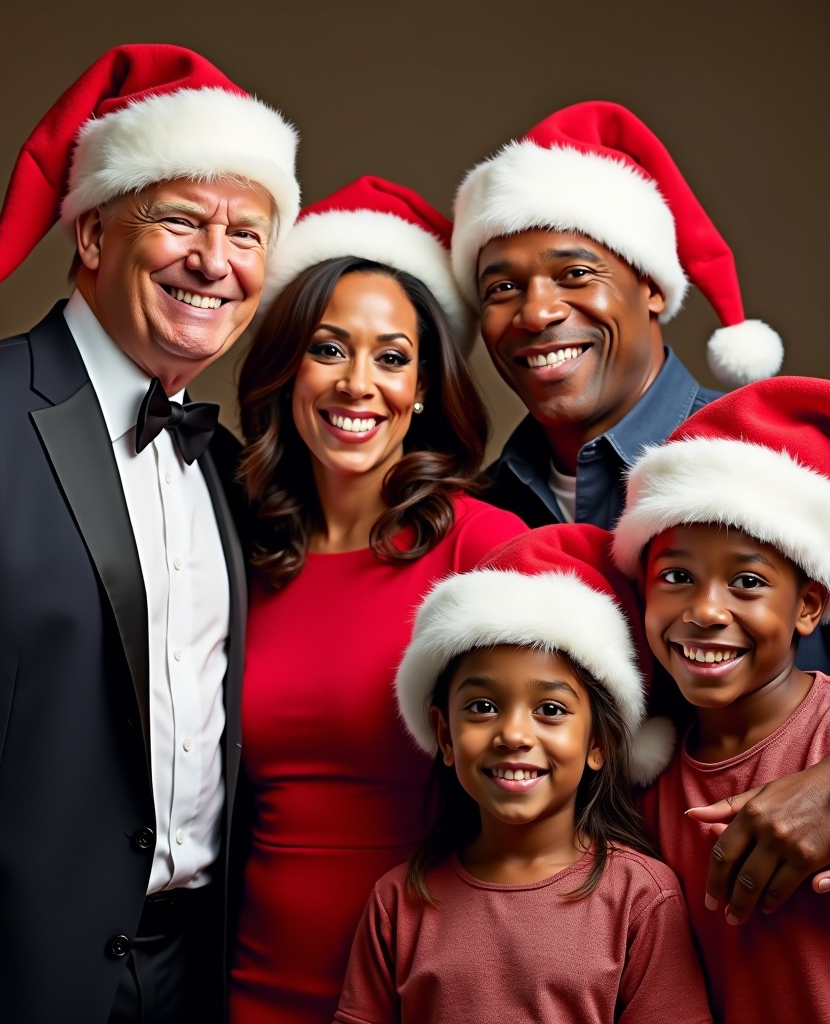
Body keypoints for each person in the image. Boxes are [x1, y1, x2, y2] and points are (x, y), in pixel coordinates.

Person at [0, 44, 299, 1024]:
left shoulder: (225, 465)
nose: (214, 261)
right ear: (95, 233)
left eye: (247, 234)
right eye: (182, 219)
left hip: (189, 975)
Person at [449, 99, 830, 914]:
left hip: (797, 925)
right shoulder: (483, 510)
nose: (538, 312)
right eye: (502, 288)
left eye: (575, 273)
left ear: (652, 287)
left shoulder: (791, 466)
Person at [227, 177, 528, 1024]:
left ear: (424, 387)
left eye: (392, 357)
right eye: (328, 349)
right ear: (288, 367)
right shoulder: (240, 550)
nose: (358, 383)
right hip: (253, 976)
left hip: (438, 976)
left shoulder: (486, 547)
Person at [335, 524, 710, 1024]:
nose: (513, 734)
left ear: (599, 742)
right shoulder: (397, 902)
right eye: (483, 706)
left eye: (551, 708)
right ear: (444, 736)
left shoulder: (640, 898)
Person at [613, 376, 830, 1022]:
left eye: (746, 581)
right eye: (677, 577)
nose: (706, 611)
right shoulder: (649, 786)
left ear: (809, 605)